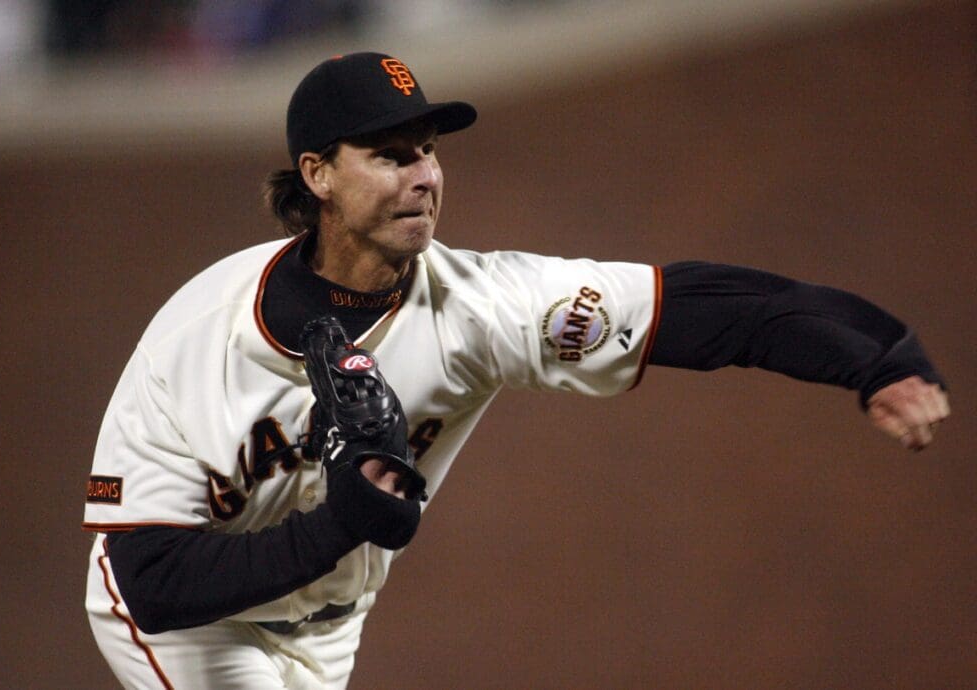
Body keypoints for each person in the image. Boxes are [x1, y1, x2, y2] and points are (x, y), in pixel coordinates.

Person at [83, 52, 950, 690]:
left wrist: (873, 358)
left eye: (429, 150)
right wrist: (340, 525)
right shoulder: (193, 339)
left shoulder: (482, 306)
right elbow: (151, 583)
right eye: (392, 156)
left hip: (326, 628)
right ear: (317, 176)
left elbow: (699, 310)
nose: (425, 177)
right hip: (194, 626)